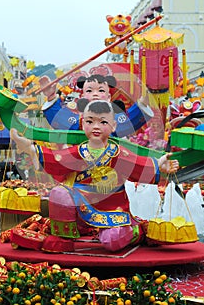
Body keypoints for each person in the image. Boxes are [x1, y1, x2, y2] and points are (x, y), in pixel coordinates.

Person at [10, 100, 179, 252]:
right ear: (83, 124)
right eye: (90, 121)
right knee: (59, 193)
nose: (96, 126)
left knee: (112, 242)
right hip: (80, 204)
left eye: (103, 122)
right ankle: (63, 239)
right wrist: (30, 148)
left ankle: (136, 231)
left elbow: (140, 166)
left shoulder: (119, 154)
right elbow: (56, 159)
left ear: (113, 126)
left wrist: (160, 165)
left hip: (111, 208)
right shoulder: (78, 152)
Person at [39, 74, 154, 138]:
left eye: (100, 90)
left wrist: (146, 97)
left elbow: (129, 121)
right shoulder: (78, 122)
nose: (95, 94)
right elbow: (61, 119)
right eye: (89, 91)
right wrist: (51, 96)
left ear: (109, 97)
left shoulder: (115, 122)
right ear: (83, 96)